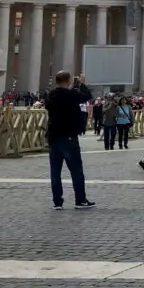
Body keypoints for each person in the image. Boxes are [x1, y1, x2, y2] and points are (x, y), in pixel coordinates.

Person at [44, 70, 94, 210]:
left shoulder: (51, 95)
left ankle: (57, 202)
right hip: (69, 136)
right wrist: (82, 84)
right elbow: (86, 96)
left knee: (55, 171)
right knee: (76, 170)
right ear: (68, 80)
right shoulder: (71, 95)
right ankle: (80, 200)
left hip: (54, 136)